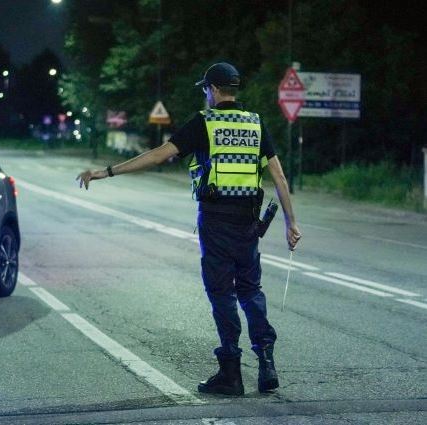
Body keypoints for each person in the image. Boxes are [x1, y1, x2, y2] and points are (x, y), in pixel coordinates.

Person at [76, 62, 301, 396]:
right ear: (233, 89)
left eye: (204, 89)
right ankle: (266, 363)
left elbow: (157, 156)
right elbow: (279, 177)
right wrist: (291, 222)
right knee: (251, 290)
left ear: (211, 89)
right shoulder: (256, 123)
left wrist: (106, 172)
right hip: (248, 223)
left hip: (215, 221)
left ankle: (231, 373)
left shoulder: (205, 123)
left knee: (222, 293)